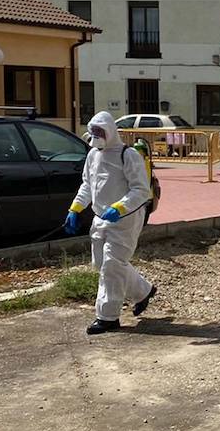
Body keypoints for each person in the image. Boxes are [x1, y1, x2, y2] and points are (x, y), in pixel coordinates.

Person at [64, 111, 156, 334]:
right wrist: (76, 208)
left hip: (125, 220)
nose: (95, 136)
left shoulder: (128, 155)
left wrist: (120, 207)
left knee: (112, 267)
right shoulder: (93, 156)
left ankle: (108, 317)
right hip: (100, 218)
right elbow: (87, 185)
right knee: (101, 264)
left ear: (110, 131)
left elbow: (141, 190)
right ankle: (143, 291)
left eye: (99, 131)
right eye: (93, 131)